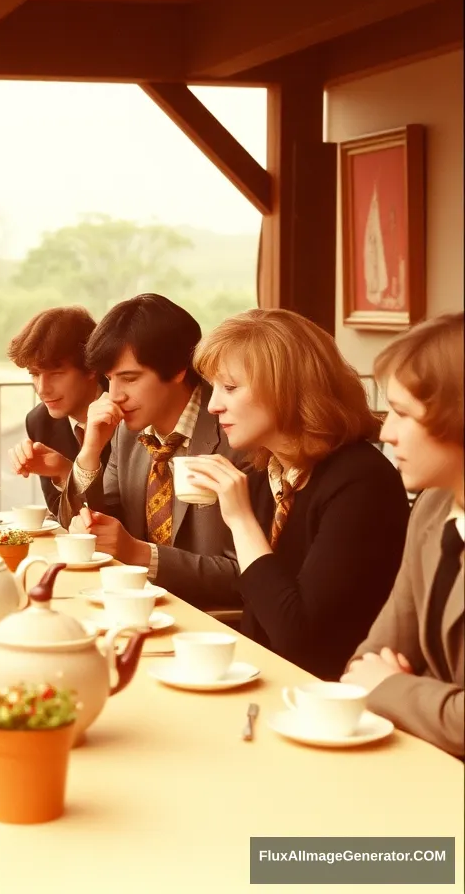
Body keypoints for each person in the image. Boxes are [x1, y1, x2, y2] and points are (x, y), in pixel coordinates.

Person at [185, 308, 409, 680]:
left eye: (230, 387)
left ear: (285, 388)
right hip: (270, 682)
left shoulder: (361, 482)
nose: (213, 405)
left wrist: (240, 519)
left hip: (333, 702)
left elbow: (299, 637)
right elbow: (258, 614)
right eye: (212, 388)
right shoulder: (268, 471)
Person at [57, 294, 243, 610]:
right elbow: (98, 526)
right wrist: (90, 452)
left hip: (213, 624)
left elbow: (245, 576)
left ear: (178, 369)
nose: (114, 396)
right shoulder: (128, 434)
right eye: (108, 380)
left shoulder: (235, 433)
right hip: (133, 608)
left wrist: (139, 554)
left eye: (129, 378)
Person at [342, 312, 463, 757]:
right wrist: (395, 686)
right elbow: (365, 665)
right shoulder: (432, 508)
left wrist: (395, 689)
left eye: (401, 413)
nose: (386, 432)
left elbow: (380, 681)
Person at [5, 306, 108, 515]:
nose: (42, 389)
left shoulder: (129, 411)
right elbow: (63, 517)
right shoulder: (39, 421)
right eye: (34, 374)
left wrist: (67, 471)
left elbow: (126, 518)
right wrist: (62, 472)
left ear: (91, 368)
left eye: (56, 373)